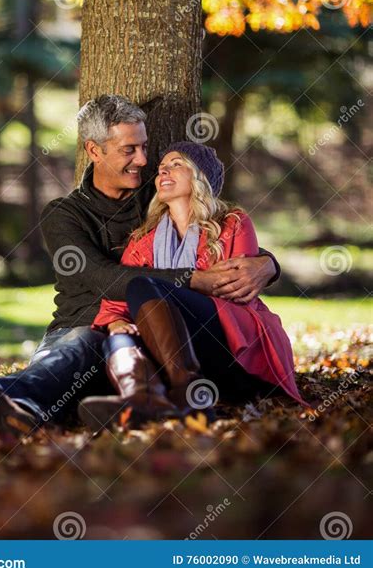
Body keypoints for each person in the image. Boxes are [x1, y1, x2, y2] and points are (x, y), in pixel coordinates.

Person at [0, 96, 281, 437]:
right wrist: (194, 280)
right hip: (81, 326)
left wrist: (267, 264)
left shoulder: (154, 197)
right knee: (74, 353)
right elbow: (103, 277)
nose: (142, 160)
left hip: (145, 334)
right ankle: (11, 406)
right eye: (129, 150)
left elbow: (208, 231)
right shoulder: (65, 215)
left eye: (143, 147)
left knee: (86, 368)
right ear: (94, 151)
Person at [79, 142, 308, 431]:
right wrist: (115, 324)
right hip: (177, 356)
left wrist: (165, 292)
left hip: (231, 350)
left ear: (200, 176)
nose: (163, 169)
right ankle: (145, 399)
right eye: (162, 167)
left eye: (176, 164)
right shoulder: (142, 240)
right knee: (119, 337)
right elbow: (114, 306)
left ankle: (183, 395)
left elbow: (234, 289)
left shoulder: (231, 224)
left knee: (143, 285)